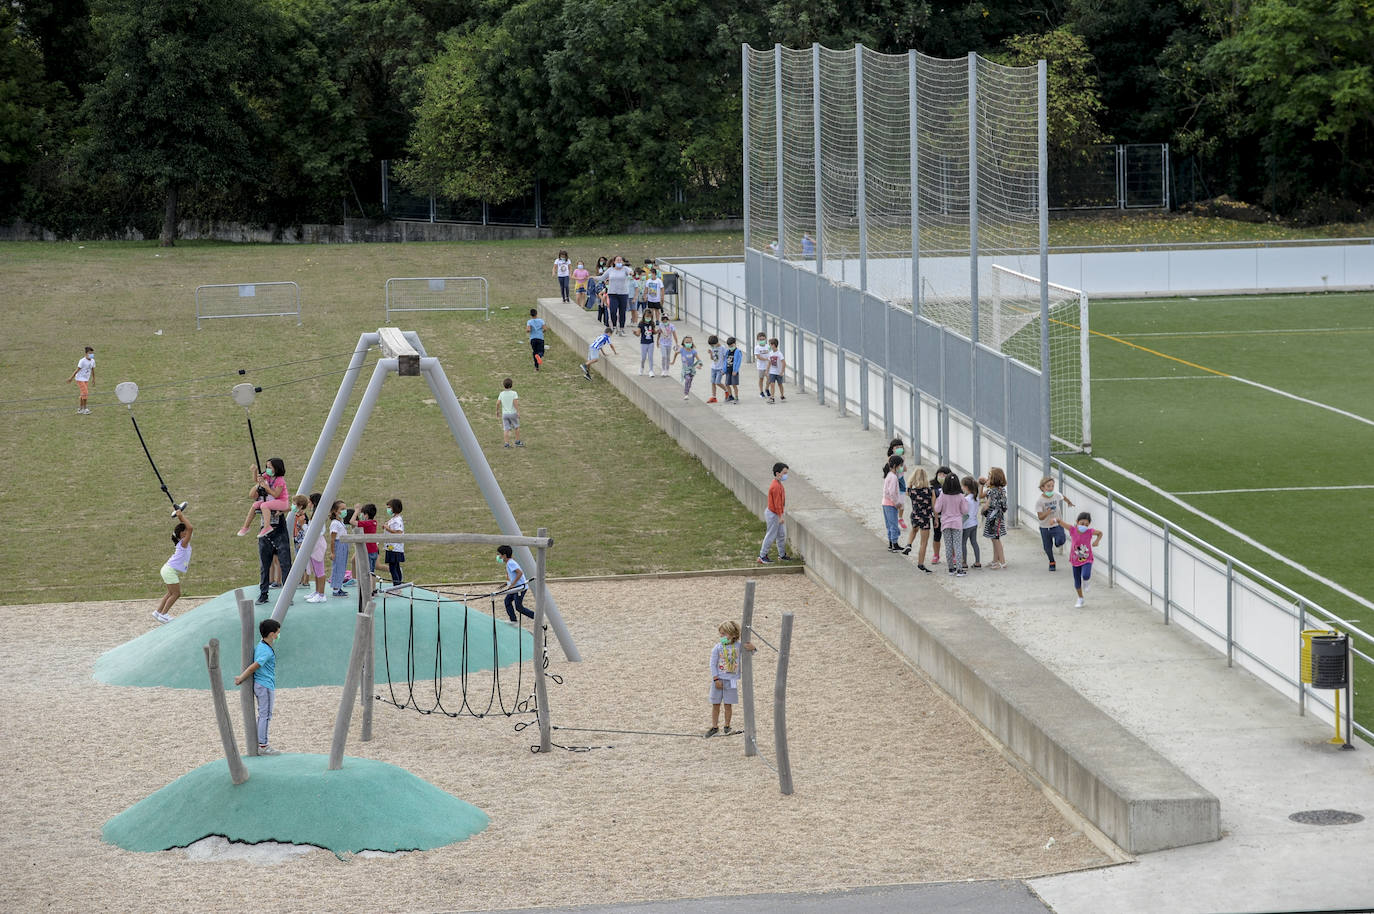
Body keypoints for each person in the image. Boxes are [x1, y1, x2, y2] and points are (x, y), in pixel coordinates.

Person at [234, 618, 282, 755]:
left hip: (264, 684)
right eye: (278, 633)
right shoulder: (265, 651)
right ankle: (263, 746)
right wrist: (241, 678)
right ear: (272, 634)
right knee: (265, 715)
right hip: (265, 685)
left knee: (263, 715)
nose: (278, 635)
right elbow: (253, 667)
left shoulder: (261, 646)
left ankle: (261, 742)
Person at [705, 621, 756, 737]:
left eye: (724, 634)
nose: (721, 637)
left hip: (732, 680)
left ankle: (727, 726)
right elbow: (712, 664)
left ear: (733, 634)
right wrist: (715, 679)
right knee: (715, 704)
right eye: (720, 634)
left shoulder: (739, 646)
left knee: (728, 704)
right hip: (718, 680)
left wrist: (753, 648)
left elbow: (750, 653)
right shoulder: (717, 648)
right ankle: (714, 727)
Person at [153, 506, 193, 623]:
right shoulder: (183, 543)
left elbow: (188, 528)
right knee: (176, 594)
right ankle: (164, 614)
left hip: (167, 569)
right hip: (169, 570)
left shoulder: (183, 542)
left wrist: (181, 517)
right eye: (185, 531)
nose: (188, 532)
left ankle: (158, 612)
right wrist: (180, 516)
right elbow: (190, 528)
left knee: (171, 593)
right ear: (182, 534)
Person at [238, 457, 290, 538]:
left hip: (282, 502)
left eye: (269, 467)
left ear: (276, 468)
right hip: (272, 500)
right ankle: (246, 527)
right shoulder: (268, 475)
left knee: (264, 505)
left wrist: (266, 487)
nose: (267, 469)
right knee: (255, 505)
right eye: (266, 467)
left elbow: (276, 495)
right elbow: (257, 480)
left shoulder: (280, 481)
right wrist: (255, 471)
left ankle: (267, 527)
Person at [1059, 512, 1103, 607]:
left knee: (1086, 574)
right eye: (1082, 523)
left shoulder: (1089, 531)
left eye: (1086, 524)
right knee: (1077, 580)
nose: (1084, 526)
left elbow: (1100, 533)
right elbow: (1061, 523)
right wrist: (1055, 520)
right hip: (1075, 560)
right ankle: (1080, 598)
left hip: (1087, 558)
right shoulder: (1072, 530)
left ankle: (1086, 582)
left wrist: (1096, 541)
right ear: (1077, 522)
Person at [257, 505, 294, 606]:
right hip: (265, 535)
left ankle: (287, 596)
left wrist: (282, 509)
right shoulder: (263, 499)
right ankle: (263, 594)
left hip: (280, 533)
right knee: (264, 566)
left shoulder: (280, 498)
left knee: (285, 565)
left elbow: (292, 506)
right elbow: (253, 496)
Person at [1035, 476, 1074, 571]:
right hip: (1045, 527)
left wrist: (1069, 502)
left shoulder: (1056, 494)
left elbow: (1062, 497)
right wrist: (1047, 513)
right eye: (1048, 486)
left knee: (1061, 540)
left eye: (1052, 486)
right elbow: (1040, 517)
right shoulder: (1040, 501)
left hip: (1057, 524)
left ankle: (1058, 543)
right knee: (1047, 547)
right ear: (1042, 488)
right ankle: (1051, 561)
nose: (1051, 488)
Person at [934, 471, 968, 575]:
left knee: (948, 546)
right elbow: (965, 511)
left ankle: (951, 569)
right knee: (957, 546)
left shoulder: (942, 495)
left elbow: (937, 508)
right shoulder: (960, 496)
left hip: (945, 523)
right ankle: (959, 569)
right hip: (957, 523)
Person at [758, 462, 792, 564]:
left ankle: (782, 555)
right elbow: (777, 504)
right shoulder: (776, 486)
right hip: (774, 514)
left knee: (781, 534)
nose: (786, 475)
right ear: (778, 473)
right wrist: (780, 516)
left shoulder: (778, 484)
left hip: (776, 513)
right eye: (784, 473)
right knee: (771, 535)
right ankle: (762, 556)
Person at [904, 466, 935, 573]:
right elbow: (934, 507)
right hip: (925, 518)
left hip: (915, 515)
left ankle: (909, 544)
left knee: (914, 530)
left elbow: (908, 487)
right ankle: (920, 564)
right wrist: (936, 520)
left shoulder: (911, 492)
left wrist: (911, 482)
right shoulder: (930, 491)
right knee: (923, 543)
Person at [598, 255, 633, 334]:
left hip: (623, 293)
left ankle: (621, 328)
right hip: (612, 293)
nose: (619, 262)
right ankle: (614, 326)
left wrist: (631, 273)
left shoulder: (625, 269)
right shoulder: (610, 270)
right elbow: (602, 278)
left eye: (620, 260)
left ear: (623, 262)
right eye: (617, 260)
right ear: (614, 262)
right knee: (613, 310)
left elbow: (630, 271)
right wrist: (592, 277)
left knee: (622, 312)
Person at [497, 545, 534, 621]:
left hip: (520, 588)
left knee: (519, 607)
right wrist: (505, 584)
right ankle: (513, 620)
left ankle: (536, 616)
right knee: (507, 601)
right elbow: (512, 576)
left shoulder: (511, 563)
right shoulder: (509, 563)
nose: (498, 557)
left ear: (504, 555)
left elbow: (520, 573)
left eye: (500, 554)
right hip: (515, 588)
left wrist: (512, 585)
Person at [982, 467, 1008, 569]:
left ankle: (1002, 562)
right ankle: (995, 560)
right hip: (999, 517)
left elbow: (987, 505)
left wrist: (982, 510)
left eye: (989, 477)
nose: (987, 479)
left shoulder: (992, 491)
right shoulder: (1002, 490)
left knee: (996, 540)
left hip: (993, 519)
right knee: (994, 538)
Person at [305, 492, 328, 603]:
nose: (308, 504)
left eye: (309, 502)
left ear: (314, 503)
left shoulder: (318, 515)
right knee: (315, 569)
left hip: (317, 543)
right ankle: (317, 591)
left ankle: (322, 594)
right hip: (314, 543)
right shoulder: (315, 514)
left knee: (320, 570)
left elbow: (315, 531)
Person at [882, 456, 907, 553]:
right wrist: (897, 503)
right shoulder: (893, 477)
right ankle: (894, 544)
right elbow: (892, 492)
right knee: (894, 525)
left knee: (889, 524)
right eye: (900, 465)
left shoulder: (889, 475)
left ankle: (891, 544)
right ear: (896, 466)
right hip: (890, 504)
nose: (901, 467)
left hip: (885, 503)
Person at [930, 465, 953, 566]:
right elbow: (933, 504)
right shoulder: (933, 488)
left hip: (950, 516)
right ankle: (936, 555)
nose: (941, 476)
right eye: (939, 474)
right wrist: (935, 518)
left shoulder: (953, 487)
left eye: (944, 474)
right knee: (937, 536)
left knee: (951, 537)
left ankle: (953, 555)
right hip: (938, 516)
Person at [353, 503, 379, 591]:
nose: (361, 515)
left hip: (368, 551)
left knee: (369, 573)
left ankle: (370, 591)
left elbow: (351, 521)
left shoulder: (367, 523)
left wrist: (356, 511)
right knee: (372, 571)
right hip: (374, 550)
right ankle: (374, 589)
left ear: (366, 515)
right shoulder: (373, 522)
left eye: (362, 513)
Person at [328, 500, 351, 597]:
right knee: (338, 567)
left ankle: (339, 586)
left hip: (344, 545)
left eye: (345, 508)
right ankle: (336, 589)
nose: (344, 511)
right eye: (342, 509)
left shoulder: (340, 522)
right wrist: (333, 552)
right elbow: (332, 539)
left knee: (342, 567)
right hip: (339, 546)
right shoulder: (335, 523)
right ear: (335, 511)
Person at [383, 498, 405, 588]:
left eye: (389, 507)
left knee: (393, 567)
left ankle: (396, 586)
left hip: (394, 547)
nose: (388, 510)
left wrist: (387, 528)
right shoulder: (393, 519)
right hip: (390, 546)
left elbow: (399, 532)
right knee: (395, 566)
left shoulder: (398, 520)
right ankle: (398, 585)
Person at [961, 475, 982, 569]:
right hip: (974, 523)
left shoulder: (965, 499)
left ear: (966, 487)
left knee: (963, 543)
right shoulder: (976, 498)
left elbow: (963, 511)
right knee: (974, 542)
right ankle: (977, 562)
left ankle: (964, 562)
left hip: (966, 524)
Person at [67, 345, 95, 414]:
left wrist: (94, 379)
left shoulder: (93, 361)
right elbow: (77, 370)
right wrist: (71, 378)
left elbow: (93, 370)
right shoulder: (82, 361)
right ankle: (85, 409)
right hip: (79, 379)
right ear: (86, 353)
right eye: (90, 353)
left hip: (86, 379)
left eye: (92, 353)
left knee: (83, 394)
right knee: (85, 393)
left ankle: (80, 409)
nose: (91, 355)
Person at [498, 377, 523, 447]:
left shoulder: (501, 393)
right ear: (511, 385)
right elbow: (515, 403)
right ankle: (517, 442)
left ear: (504, 385)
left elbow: (497, 403)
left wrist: (497, 411)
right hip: (512, 413)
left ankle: (506, 443)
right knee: (516, 427)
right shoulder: (514, 393)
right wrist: (518, 411)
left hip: (505, 414)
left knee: (506, 429)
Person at [678, 336, 703, 401]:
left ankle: (687, 392)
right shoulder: (682, 350)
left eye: (689, 342)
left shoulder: (693, 352)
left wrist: (700, 365)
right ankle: (686, 394)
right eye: (686, 342)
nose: (688, 343)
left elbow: (699, 360)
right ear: (683, 343)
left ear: (692, 343)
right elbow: (676, 353)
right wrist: (673, 361)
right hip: (685, 369)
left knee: (689, 382)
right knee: (687, 379)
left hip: (692, 370)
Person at [722, 337, 744, 403]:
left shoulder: (738, 352)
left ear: (735, 344)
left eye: (732, 345)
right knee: (727, 384)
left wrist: (736, 370)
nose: (730, 347)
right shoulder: (727, 352)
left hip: (734, 371)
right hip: (728, 370)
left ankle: (736, 398)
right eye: (729, 346)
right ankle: (730, 396)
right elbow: (725, 361)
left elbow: (738, 362)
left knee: (734, 385)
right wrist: (724, 370)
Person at [637, 311, 658, 376]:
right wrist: (635, 333)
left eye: (650, 317)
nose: (648, 318)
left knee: (650, 357)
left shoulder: (652, 323)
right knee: (643, 357)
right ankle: (641, 368)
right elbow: (638, 334)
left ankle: (651, 370)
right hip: (643, 343)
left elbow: (654, 332)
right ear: (644, 316)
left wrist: (658, 331)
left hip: (651, 342)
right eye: (647, 316)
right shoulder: (641, 324)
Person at [765, 338, 785, 402]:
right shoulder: (770, 353)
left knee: (780, 384)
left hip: (778, 372)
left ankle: (782, 395)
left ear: (773, 345)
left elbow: (784, 363)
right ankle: (772, 397)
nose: (769, 346)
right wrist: (767, 370)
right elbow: (769, 362)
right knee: (772, 384)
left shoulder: (779, 354)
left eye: (770, 344)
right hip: (772, 372)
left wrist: (782, 371)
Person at [706, 334, 725, 403]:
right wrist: (710, 353)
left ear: (717, 342)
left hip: (720, 368)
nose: (712, 346)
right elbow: (712, 359)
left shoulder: (722, 348)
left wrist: (724, 369)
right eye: (711, 345)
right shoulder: (712, 348)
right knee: (713, 382)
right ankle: (714, 397)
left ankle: (727, 391)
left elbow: (725, 358)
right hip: (713, 367)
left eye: (713, 345)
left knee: (718, 382)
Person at [752, 332, 771, 400]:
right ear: (758, 339)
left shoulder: (768, 346)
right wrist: (766, 359)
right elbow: (758, 357)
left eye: (763, 339)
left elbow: (771, 354)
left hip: (768, 366)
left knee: (769, 378)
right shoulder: (757, 347)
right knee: (761, 379)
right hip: (761, 366)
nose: (762, 341)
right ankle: (761, 392)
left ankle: (767, 389)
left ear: (765, 339)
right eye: (760, 339)